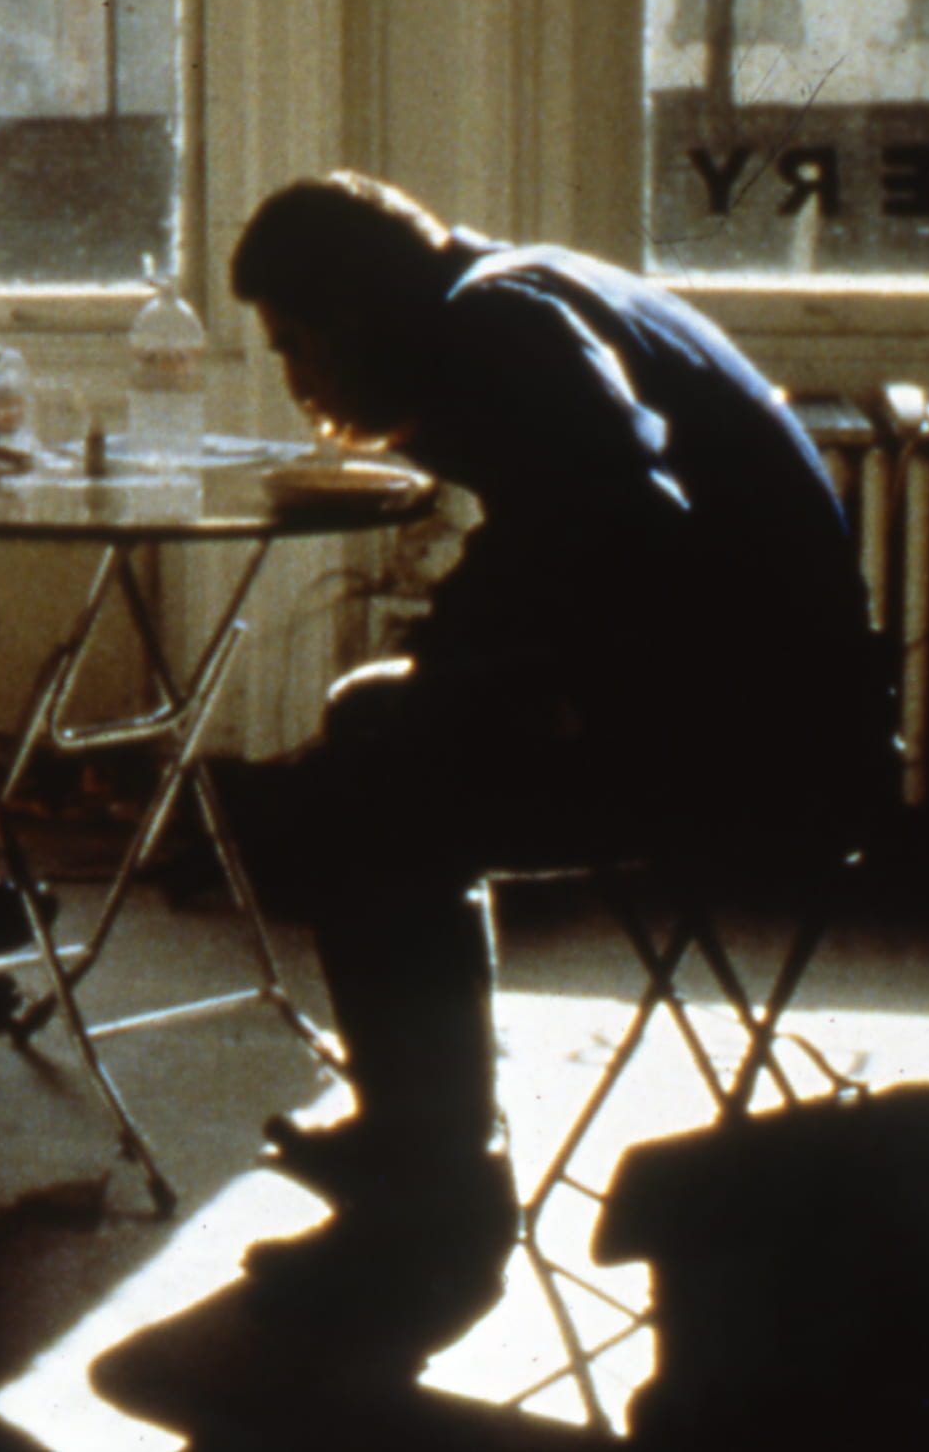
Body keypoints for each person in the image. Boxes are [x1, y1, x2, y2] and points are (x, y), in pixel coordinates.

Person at [211, 172, 887, 1345]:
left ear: (355, 310)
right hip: (799, 719)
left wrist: (469, 667)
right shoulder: (528, 286)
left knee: (368, 785)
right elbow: (597, 542)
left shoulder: (499, 326)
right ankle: (419, 1141)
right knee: (381, 732)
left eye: (295, 345)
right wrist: (472, 667)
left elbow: (629, 519)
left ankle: (430, 1199)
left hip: (760, 753)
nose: (297, 383)